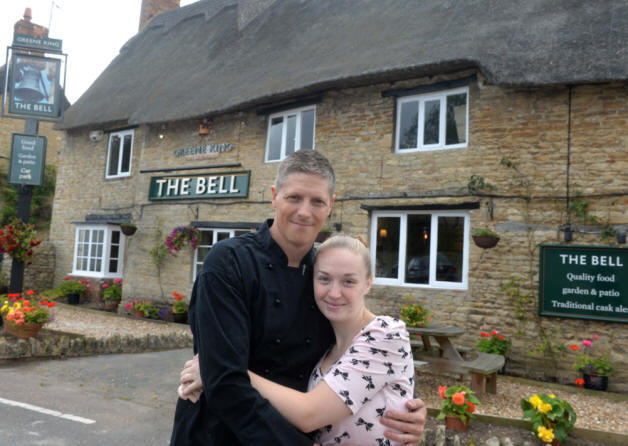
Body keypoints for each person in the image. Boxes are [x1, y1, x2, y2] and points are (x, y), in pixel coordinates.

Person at [170, 150, 426, 445]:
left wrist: (405, 405)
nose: (305, 211)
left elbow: (360, 348)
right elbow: (226, 384)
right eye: (294, 198)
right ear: (274, 196)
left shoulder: (324, 275)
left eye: (317, 201)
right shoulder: (228, 262)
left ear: (330, 205)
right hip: (220, 434)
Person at [249, 234, 415, 445]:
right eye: (324, 279)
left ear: (368, 284)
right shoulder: (322, 345)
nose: (334, 293)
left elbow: (308, 416)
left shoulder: (386, 334)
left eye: (348, 281)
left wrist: (227, 370)